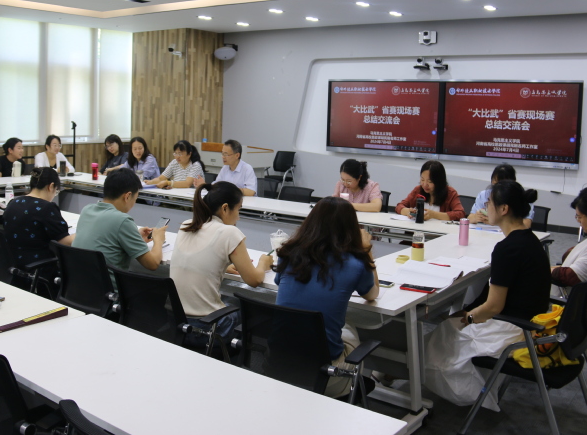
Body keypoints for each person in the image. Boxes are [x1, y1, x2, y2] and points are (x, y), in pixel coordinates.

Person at [424, 181, 550, 411]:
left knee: (445, 331)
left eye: (489, 203)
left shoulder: (507, 249)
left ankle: (465, 394)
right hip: (529, 321)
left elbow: (493, 307)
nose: (485, 208)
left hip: (511, 328)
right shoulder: (530, 240)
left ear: (504, 209)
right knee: (451, 324)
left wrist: (468, 318)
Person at [274, 197, 379, 398]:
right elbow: (373, 294)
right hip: (324, 374)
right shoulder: (355, 264)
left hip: (278, 363)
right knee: (350, 329)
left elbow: (280, 283)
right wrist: (366, 251)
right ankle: (353, 385)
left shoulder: (287, 254)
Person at [170, 181, 273, 345]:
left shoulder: (187, 225)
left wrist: (223, 265)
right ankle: (243, 355)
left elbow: (199, 259)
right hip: (206, 328)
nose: (238, 217)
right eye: (238, 209)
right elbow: (254, 280)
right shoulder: (229, 232)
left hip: (176, 322)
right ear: (225, 208)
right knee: (249, 308)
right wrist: (263, 263)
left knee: (227, 300)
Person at [73, 168, 166, 282]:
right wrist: (158, 240)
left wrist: (134, 236)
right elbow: (153, 264)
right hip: (109, 290)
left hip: (79, 284)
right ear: (127, 196)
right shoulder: (122, 221)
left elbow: (106, 239)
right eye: (135, 199)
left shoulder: (87, 210)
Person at [3, 168, 74, 292]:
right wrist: (84, 231)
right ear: (51, 186)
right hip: (41, 270)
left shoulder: (13, 203)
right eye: (56, 190)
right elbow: (66, 242)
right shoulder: (46, 207)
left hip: (14, 269)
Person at [468, 163, 534, 229]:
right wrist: (476, 217)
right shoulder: (484, 195)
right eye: (494, 183)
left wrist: (496, 222)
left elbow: (526, 225)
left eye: (501, 184)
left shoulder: (521, 196)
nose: (497, 188)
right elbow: (469, 218)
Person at [395, 160, 465, 221]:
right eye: (422, 180)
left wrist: (434, 215)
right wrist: (407, 211)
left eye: (430, 181)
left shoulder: (450, 193)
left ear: (439, 181)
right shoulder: (418, 190)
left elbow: (460, 214)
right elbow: (399, 206)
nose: (425, 184)